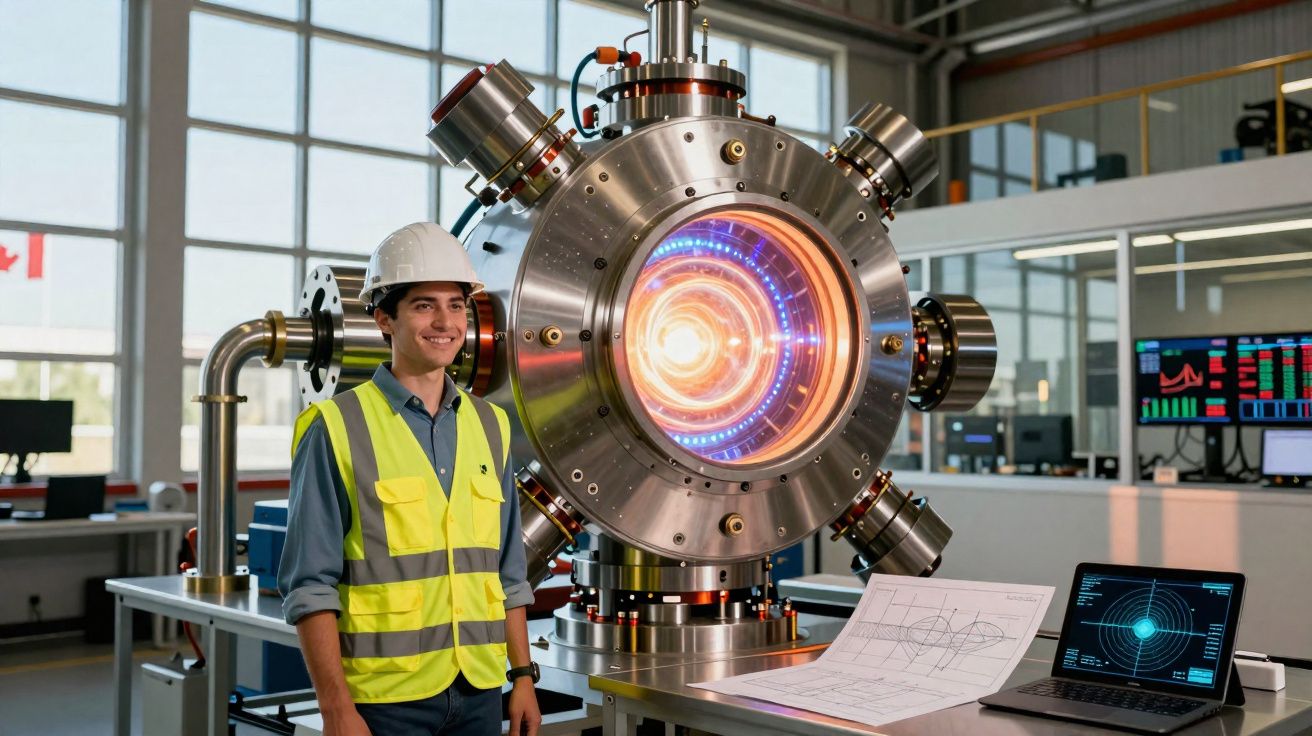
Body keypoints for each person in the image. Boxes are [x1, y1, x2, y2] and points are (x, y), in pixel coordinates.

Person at [278, 222, 542, 736]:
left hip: (481, 691)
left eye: (456, 304)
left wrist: (523, 677)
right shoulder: (336, 427)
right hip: (385, 701)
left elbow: (507, 573)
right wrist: (335, 710)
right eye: (424, 305)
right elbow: (310, 586)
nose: (444, 321)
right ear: (384, 318)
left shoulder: (492, 426)